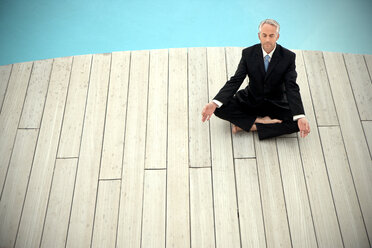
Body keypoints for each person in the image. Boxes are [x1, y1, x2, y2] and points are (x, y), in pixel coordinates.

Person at [201, 19, 310, 140]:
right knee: (218, 108)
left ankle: (252, 126)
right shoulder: (248, 53)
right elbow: (236, 80)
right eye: (264, 35)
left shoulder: (288, 57)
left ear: (277, 36)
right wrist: (214, 103)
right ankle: (260, 121)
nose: (267, 39)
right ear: (259, 36)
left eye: (271, 35)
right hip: (251, 99)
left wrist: (300, 116)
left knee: (298, 123)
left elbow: (291, 87)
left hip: (276, 102)